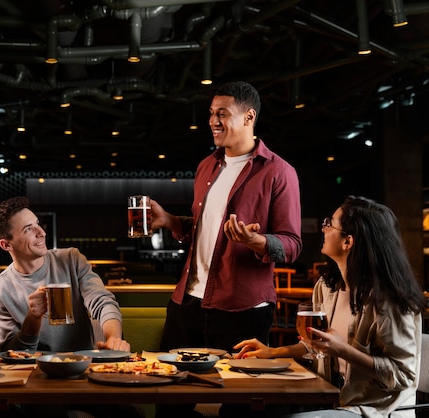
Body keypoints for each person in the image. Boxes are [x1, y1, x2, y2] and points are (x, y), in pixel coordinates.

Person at [234, 196, 426, 417]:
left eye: (330, 223)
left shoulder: (389, 300)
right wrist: (271, 352)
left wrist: (344, 351)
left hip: (376, 410)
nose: (323, 228)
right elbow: (318, 346)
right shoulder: (327, 286)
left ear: (348, 242)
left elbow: (403, 375)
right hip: (332, 401)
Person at [150, 81, 302, 353]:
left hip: (243, 309)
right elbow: (203, 229)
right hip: (187, 302)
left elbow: (292, 245)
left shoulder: (279, 172)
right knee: (172, 391)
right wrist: (170, 220)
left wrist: (256, 241)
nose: (212, 121)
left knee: (239, 394)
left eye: (222, 113)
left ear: (249, 116)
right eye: (211, 113)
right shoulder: (206, 166)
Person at [0, 196, 141, 418]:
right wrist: (33, 318)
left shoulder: (71, 259)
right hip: (38, 382)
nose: (41, 233)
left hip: (85, 376)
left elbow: (102, 301)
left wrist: (112, 340)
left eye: (38, 224)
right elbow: (13, 356)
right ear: (6, 244)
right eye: (29, 229)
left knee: (130, 414)